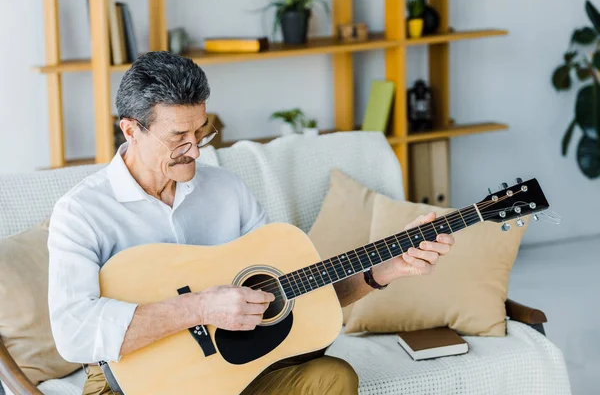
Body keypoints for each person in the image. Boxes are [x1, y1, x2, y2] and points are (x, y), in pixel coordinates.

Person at [47, 51, 455, 395]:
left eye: (201, 131)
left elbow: (293, 291)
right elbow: (73, 334)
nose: (195, 149)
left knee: (332, 378)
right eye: (177, 137)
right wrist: (201, 307)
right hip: (132, 382)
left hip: (231, 373)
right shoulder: (82, 212)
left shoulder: (228, 190)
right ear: (130, 130)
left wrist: (382, 271)